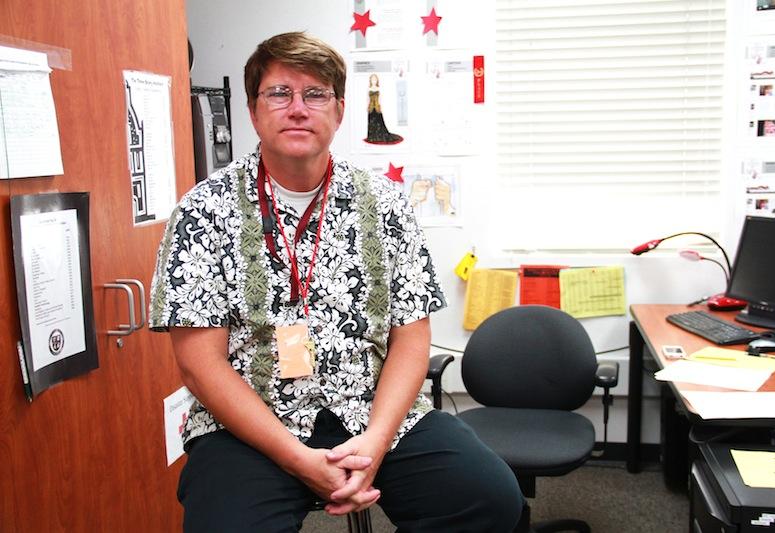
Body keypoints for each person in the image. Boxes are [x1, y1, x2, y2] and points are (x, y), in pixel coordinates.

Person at [150, 31, 524, 533]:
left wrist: (374, 442)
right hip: (254, 424)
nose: (297, 108)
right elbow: (200, 365)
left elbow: (411, 339)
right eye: (280, 93)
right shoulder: (202, 212)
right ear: (254, 110)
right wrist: (297, 459)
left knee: (491, 499)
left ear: (340, 110)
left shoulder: (386, 204)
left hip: (375, 410)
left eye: (315, 94)